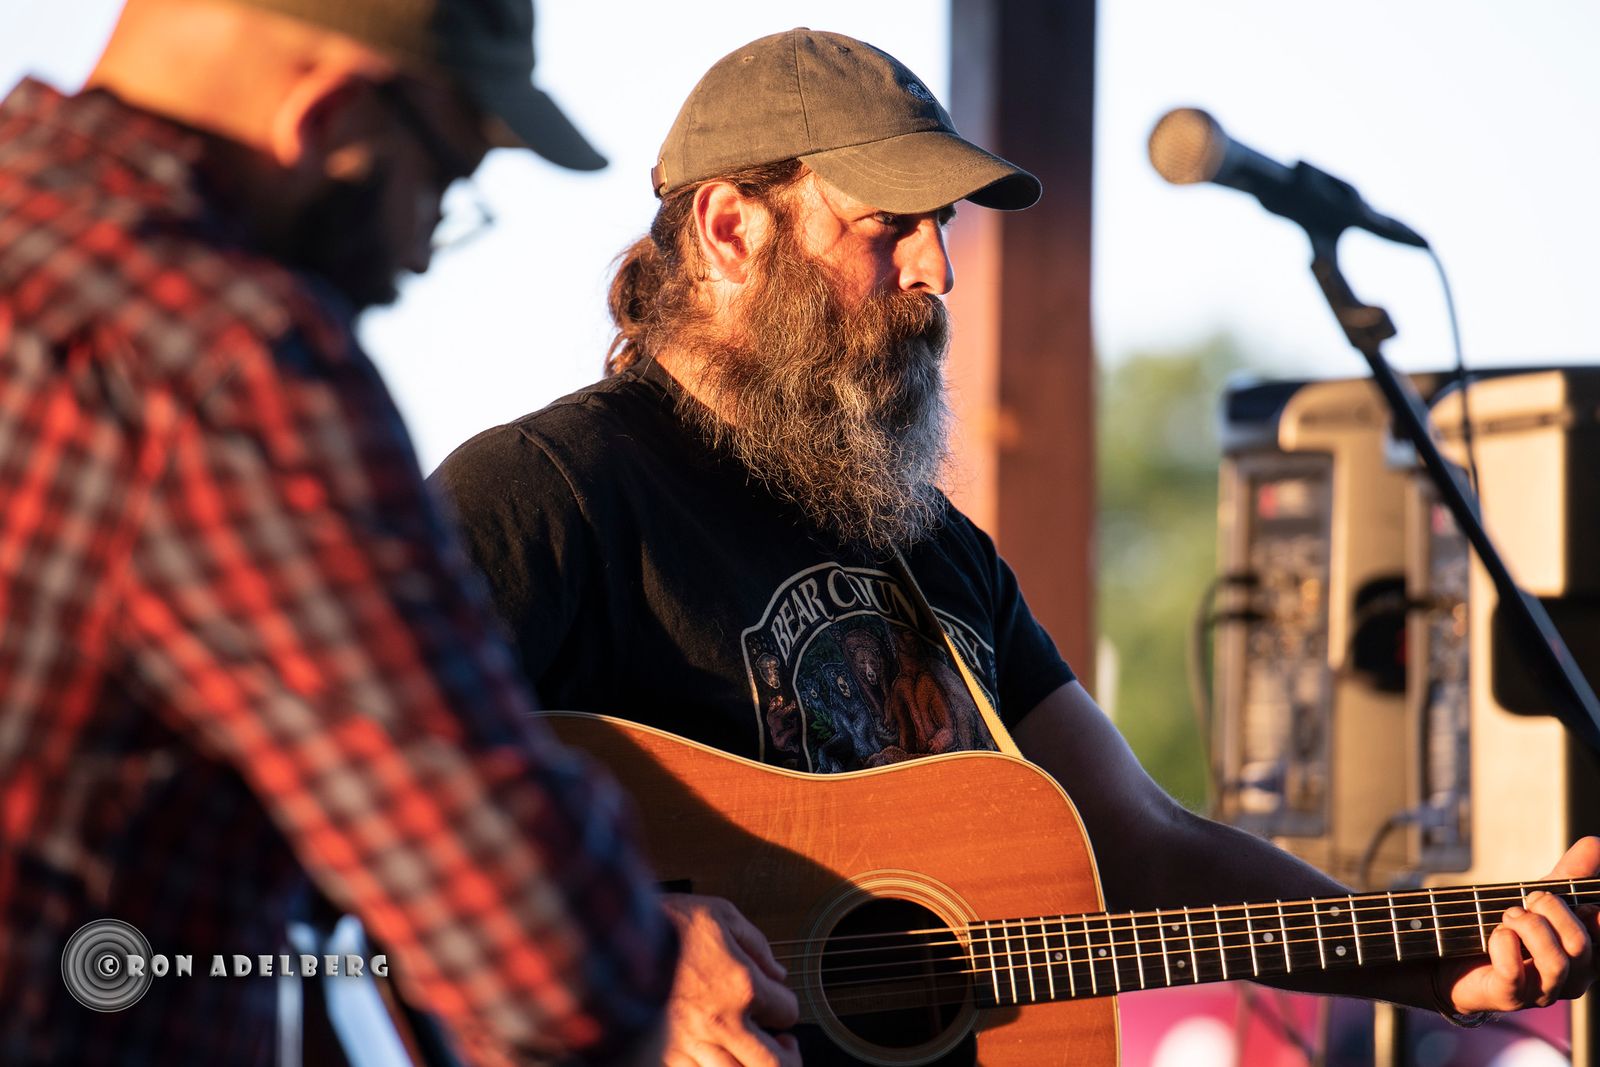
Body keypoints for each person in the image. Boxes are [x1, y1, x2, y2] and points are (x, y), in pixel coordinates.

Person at [431, 27, 1600, 1067]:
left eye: (941, 226)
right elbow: (369, 796)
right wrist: (620, 933)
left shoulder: (928, 544)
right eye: (888, 226)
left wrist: (1434, 957)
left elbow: (1138, 843)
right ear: (731, 228)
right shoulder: (547, 493)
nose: (936, 270)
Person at [0, 0, 679, 1062]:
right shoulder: (226, 360)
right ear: (329, 116)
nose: (420, 249)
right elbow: (555, 958)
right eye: (441, 180)